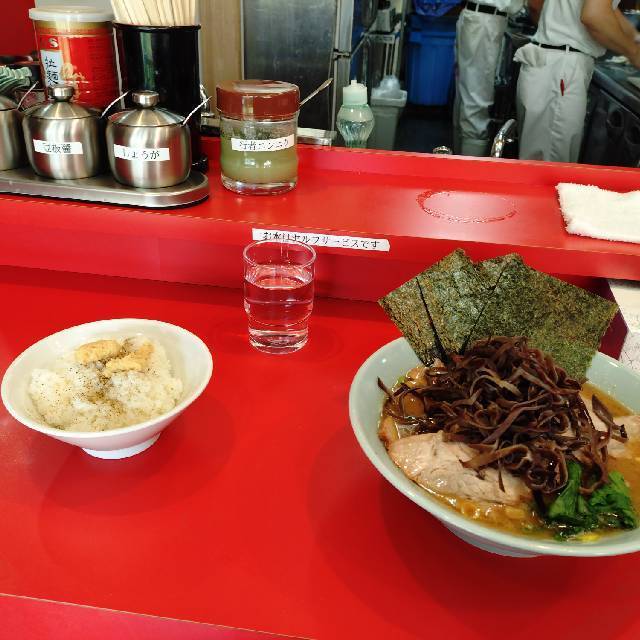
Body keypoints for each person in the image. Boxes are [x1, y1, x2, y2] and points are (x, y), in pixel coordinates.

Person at [516, 0, 640, 163]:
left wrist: (636, 38)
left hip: (553, 63)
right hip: (562, 69)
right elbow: (594, 15)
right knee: (550, 168)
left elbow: (608, 8)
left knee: (541, 164)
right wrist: (633, 52)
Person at [453, 0, 525, 156]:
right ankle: (469, 168)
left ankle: (457, 163)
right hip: (486, 19)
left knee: (465, 98)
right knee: (476, 101)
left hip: (476, 16)